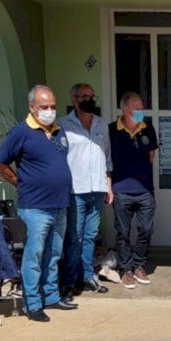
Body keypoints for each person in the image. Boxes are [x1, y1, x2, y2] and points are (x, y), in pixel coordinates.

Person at [0, 85, 76, 322]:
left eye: (52, 106)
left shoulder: (59, 131)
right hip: (35, 206)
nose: (50, 111)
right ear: (32, 107)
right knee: (34, 256)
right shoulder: (21, 132)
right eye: (44, 107)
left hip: (60, 204)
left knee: (54, 254)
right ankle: (33, 303)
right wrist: (19, 183)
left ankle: (51, 296)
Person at [60, 82, 112, 298]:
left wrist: (109, 184)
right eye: (83, 96)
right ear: (74, 99)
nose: (88, 100)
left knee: (91, 236)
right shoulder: (63, 125)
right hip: (76, 189)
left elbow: (107, 157)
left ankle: (88, 277)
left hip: (97, 188)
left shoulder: (101, 124)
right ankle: (70, 282)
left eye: (91, 96)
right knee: (75, 238)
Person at [108, 91, 158, 290]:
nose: (140, 111)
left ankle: (139, 265)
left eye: (141, 108)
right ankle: (126, 270)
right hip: (121, 190)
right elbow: (107, 160)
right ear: (125, 110)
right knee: (123, 232)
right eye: (136, 108)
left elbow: (151, 156)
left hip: (145, 190)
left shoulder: (148, 129)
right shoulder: (112, 130)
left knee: (146, 229)